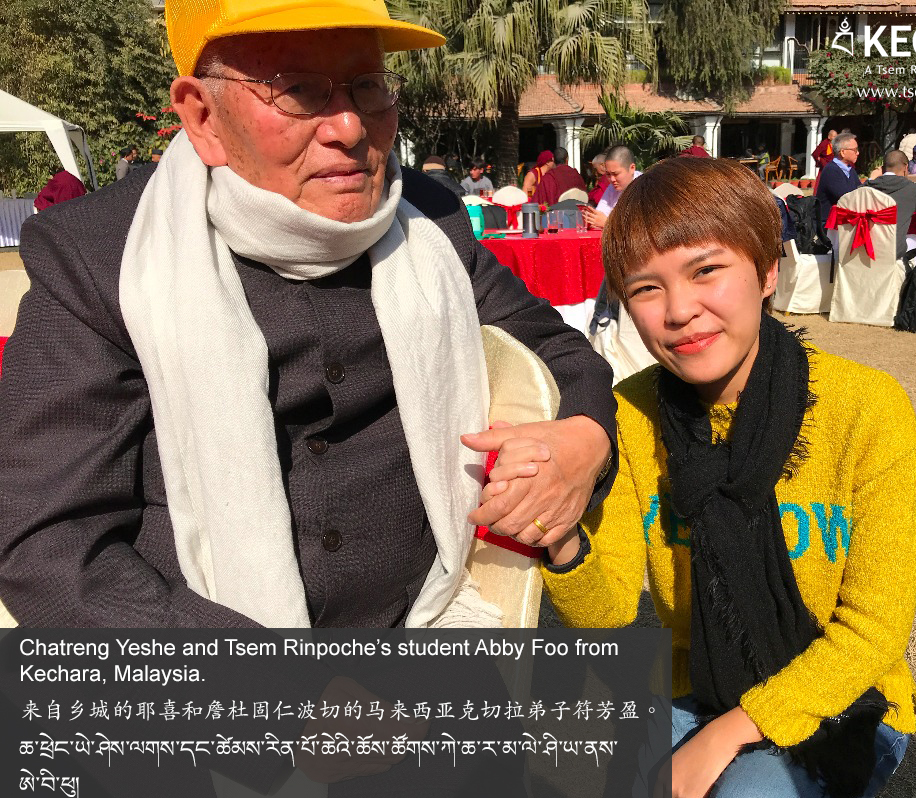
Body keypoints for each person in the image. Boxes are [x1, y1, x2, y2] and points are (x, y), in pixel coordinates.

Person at [0, 0, 617, 632]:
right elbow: (49, 546)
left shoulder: (427, 222)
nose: (349, 126)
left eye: (368, 85)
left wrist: (585, 439)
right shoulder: (103, 257)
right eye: (298, 90)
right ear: (203, 117)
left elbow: (559, 352)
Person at [541, 157, 916, 798]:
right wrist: (560, 538)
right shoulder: (630, 414)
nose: (679, 311)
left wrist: (726, 735)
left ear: (767, 270)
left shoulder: (867, 408)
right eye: (646, 288)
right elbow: (607, 611)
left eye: (706, 271)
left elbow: (874, 631)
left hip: (842, 694)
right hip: (698, 682)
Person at [868, 150, 916, 259]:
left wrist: (870, 179)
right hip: (893, 255)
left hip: (862, 251)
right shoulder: (912, 189)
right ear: (906, 167)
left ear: (883, 168)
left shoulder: (865, 188)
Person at [584, 145, 641, 229]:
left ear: (632, 168)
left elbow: (640, 228)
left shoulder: (645, 187)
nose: (612, 179)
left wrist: (607, 223)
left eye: (615, 174)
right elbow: (599, 217)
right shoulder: (612, 187)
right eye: (608, 174)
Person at [815, 131, 864, 226]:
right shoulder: (831, 170)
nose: (858, 153)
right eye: (855, 150)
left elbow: (860, 190)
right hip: (829, 224)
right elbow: (846, 197)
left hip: (845, 220)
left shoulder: (850, 170)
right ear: (843, 152)